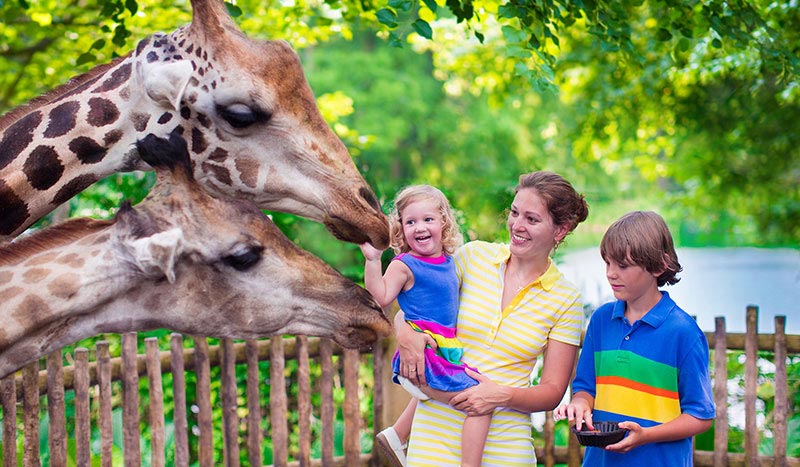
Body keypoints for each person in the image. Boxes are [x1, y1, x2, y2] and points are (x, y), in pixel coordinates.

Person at [389, 171, 589, 466]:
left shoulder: (565, 298)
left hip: (506, 446)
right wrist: (403, 333)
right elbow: (419, 307)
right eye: (515, 213)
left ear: (561, 229)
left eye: (531, 219)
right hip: (434, 437)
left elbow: (552, 392)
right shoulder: (473, 258)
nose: (517, 226)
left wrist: (500, 395)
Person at [553, 211, 715, 466]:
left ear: (659, 266)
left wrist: (646, 436)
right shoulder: (602, 320)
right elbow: (585, 387)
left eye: (623, 266)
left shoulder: (683, 332)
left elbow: (700, 416)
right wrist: (580, 404)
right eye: (607, 263)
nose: (611, 273)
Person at [360, 185, 489, 467]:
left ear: (443, 222)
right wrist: (372, 260)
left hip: (442, 352)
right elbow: (380, 296)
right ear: (401, 229)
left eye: (428, 219)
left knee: (458, 391)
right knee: (481, 403)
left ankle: (396, 435)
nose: (420, 227)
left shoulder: (450, 262)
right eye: (410, 222)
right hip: (423, 357)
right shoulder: (405, 265)